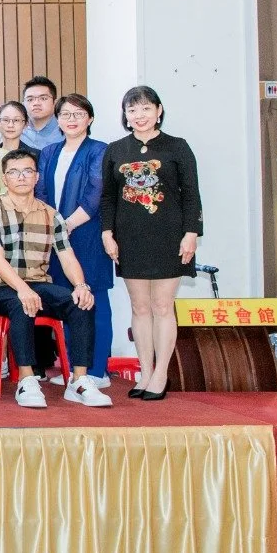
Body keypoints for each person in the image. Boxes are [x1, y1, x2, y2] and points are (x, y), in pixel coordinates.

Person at [0, 152, 111, 409]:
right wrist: (22, 289)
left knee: (80, 302)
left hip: (39, 283)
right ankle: (27, 380)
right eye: (14, 172)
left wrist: (81, 286)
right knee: (21, 303)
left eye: (27, 171)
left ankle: (79, 380)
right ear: (4, 179)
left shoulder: (52, 214)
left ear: (37, 177)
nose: (21, 177)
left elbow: (67, 256)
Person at [101, 85, 202, 401]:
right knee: (140, 307)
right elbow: (108, 197)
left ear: (158, 111)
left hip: (169, 236)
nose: (139, 115)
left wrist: (191, 233)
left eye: (146, 108)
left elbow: (192, 194)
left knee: (162, 306)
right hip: (129, 238)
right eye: (132, 110)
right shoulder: (116, 150)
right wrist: (107, 233)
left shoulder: (177, 147)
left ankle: (161, 374)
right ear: (125, 115)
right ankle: (145, 372)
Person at [35, 94, 113, 385]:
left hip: (87, 234)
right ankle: (73, 369)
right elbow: (41, 191)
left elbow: (96, 192)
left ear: (89, 119)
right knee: (67, 301)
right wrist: (54, 225)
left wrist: (67, 224)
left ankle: (97, 371)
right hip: (56, 238)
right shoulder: (49, 152)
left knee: (95, 300)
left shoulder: (99, 150)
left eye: (78, 114)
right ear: (57, 119)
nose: (71, 119)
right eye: (65, 114)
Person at [21, 76, 63, 151]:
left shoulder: (66, 131)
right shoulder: (18, 131)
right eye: (30, 99)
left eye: (43, 98)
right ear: (23, 104)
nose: (36, 103)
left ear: (55, 103)